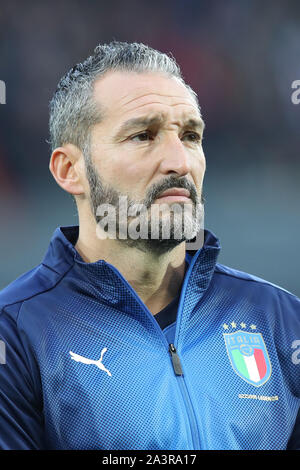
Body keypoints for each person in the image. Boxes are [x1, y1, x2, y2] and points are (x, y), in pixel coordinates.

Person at [0, 41, 299, 450]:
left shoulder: (281, 320)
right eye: (144, 135)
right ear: (70, 170)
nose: (180, 162)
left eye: (191, 136)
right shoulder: (16, 335)